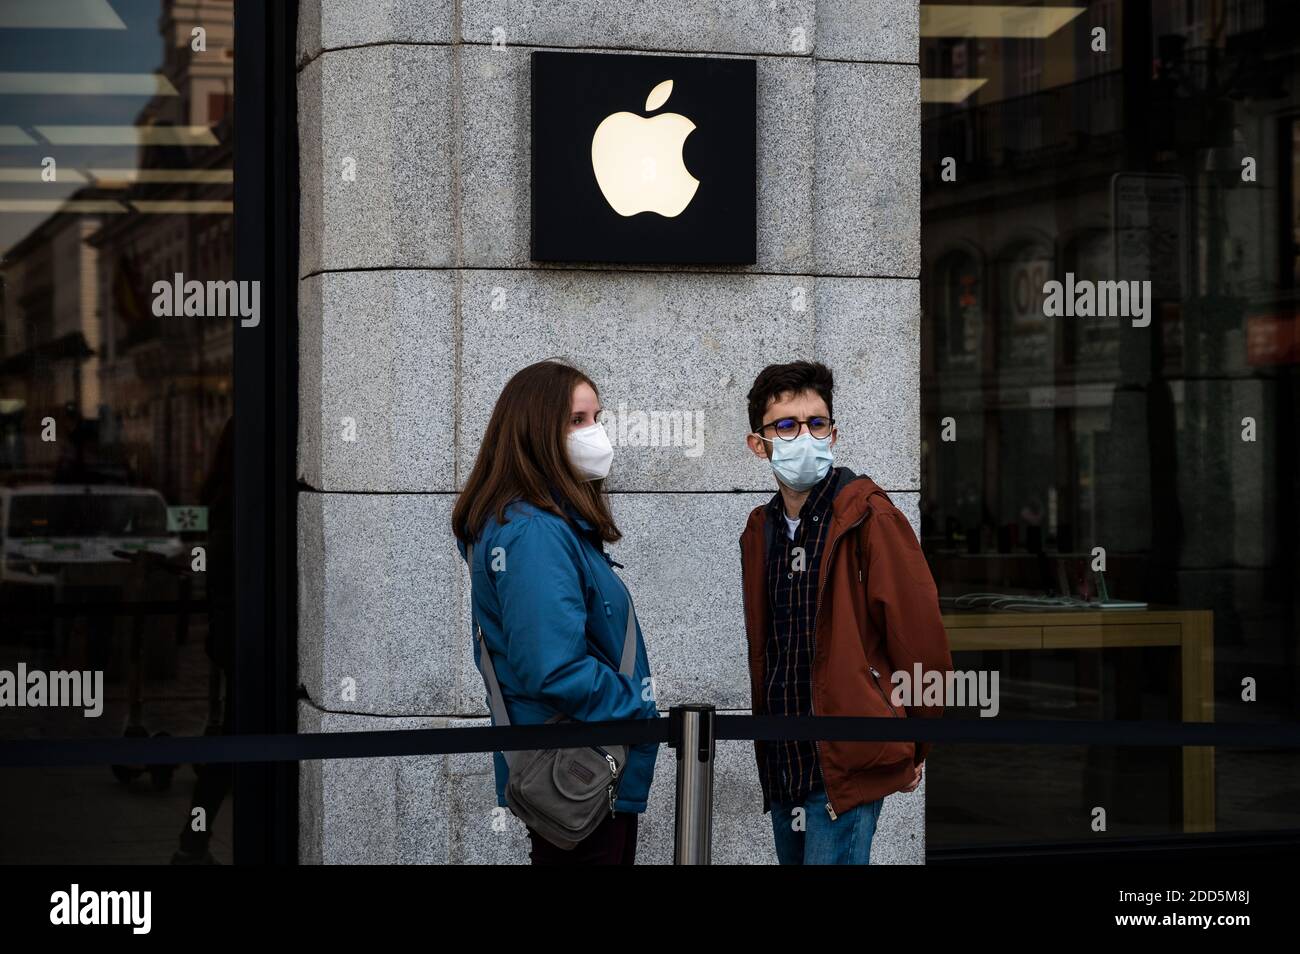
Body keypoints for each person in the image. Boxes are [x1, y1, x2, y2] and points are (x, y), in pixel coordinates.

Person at [739, 360, 953, 865]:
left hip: (847, 761)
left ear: (833, 434)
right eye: (786, 426)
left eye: (816, 423)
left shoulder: (870, 516)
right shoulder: (760, 530)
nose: (804, 435)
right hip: (784, 758)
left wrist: (913, 741)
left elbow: (919, 636)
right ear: (758, 444)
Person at [451, 360, 659, 865]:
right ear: (536, 431)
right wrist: (636, 705)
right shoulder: (534, 532)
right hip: (575, 767)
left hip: (579, 764)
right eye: (577, 421)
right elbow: (553, 667)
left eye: (596, 417)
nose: (596, 433)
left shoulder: (544, 525)